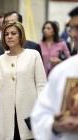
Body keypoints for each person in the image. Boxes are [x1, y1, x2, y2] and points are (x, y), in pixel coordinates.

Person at [0, 21, 46, 140]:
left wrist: (41, 111)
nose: (9, 36)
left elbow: (41, 86)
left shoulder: (33, 55)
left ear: (21, 35)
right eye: (6, 34)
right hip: (7, 116)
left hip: (30, 114)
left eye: (13, 33)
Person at [31, 6, 78, 140]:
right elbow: (40, 115)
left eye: (77, 28)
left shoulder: (62, 45)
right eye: (71, 28)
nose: (73, 34)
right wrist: (55, 126)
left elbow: (67, 56)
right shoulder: (63, 71)